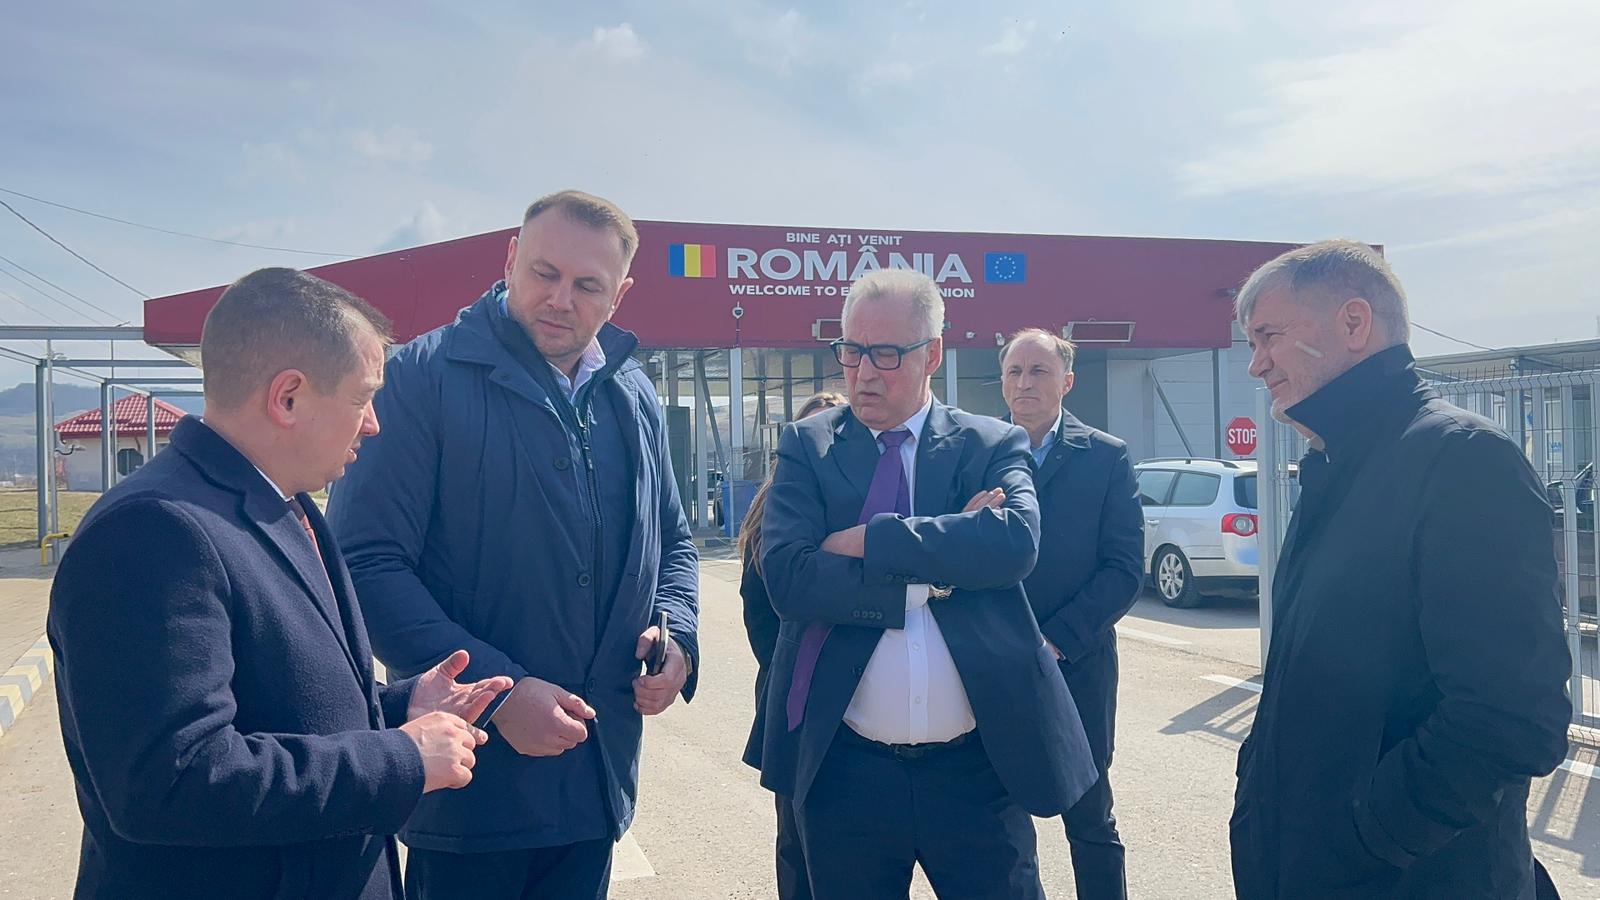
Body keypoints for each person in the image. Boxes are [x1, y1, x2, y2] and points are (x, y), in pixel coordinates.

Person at [48, 267, 511, 900]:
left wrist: (398, 708)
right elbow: (172, 781)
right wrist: (402, 758)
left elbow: (280, 700)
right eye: (362, 398)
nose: (373, 423)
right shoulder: (152, 532)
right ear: (287, 397)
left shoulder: (281, 506)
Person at [328, 190, 699, 900]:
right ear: (509, 261)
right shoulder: (423, 379)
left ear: (620, 295)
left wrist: (677, 633)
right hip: (473, 791)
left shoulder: (633, 394)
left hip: (595, 779)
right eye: (544, 273)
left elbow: (673, 544)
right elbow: (364, 567)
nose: (560, 299)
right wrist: (500, 694)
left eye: (587, 285)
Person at [1230, 240, 1572, 898]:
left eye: (1268, 336)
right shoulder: (1334, 467)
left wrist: (1364, 836)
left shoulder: (1461, 461)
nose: (1256, 364)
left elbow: (1511, 716)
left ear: (1354, 323)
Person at [755, 269, 1098, 899]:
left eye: (886, 354)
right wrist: (938, 571)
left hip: (977, 772)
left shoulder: (989, 443)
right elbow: (789, 577)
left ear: (933, 353)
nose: (864, 373)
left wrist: (870, 540)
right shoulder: (809, 445)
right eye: (852, 351)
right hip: (846, 771)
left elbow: (1015, 542)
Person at [1000, 328, 1143, 900]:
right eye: (1014, 371)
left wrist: (1055, 641)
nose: (1025, 383)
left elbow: (1123, 570)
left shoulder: (1105, 456)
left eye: (1039, 371)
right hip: (994, 665)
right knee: (998, 826)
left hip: (1076, 666)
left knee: (1090, 821)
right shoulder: (977, 452)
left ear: (1068, 382)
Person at [738, 389, 845, 900]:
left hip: (859, 705)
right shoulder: (770, 516)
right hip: (794, 699)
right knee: (798, 843)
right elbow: (760, 619)